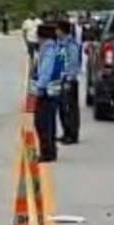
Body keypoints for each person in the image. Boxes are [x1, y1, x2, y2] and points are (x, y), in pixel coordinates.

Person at [31, 22, 63, 162]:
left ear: (42, 36)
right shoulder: (53, 47)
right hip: (53, 90)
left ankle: (47, 152)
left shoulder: (48, 49)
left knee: (42, 122)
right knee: (49, 121)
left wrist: (40, 88)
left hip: (47, 91)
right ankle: (51, 150)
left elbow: (45, 71)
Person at [57, 20, 83, 144]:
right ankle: (65, 132)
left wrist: (69, 79)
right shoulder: (60, 43)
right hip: (60, 79)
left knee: (70, 109)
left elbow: (73, 63)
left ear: (62, 30)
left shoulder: (71, 44)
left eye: (57, 29)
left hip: (69, 81)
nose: (56, 31)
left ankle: (72, 135)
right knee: (62, 109)